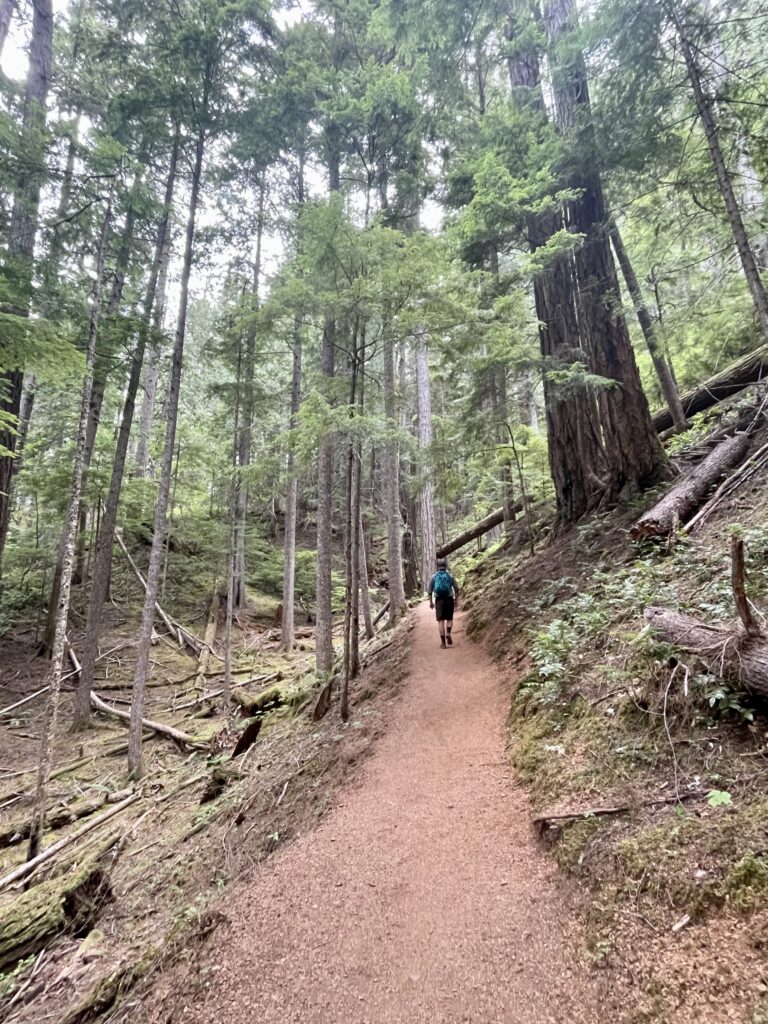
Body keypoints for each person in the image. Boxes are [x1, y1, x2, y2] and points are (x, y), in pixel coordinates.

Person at [427, 557, 460, 649]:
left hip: (439, 600)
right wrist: (456, 600)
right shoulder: (450, 576)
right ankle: (448, 633)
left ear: (438, 567)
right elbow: (457, 589)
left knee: (441, 621)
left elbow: (429, 591)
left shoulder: (434, 577)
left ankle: (443, 643)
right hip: (449, 599)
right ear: (446, 567)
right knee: (449, 619)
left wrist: (431, 602)